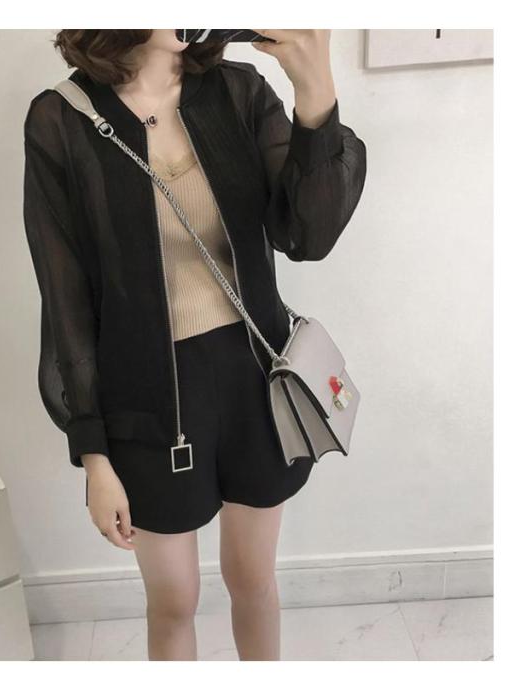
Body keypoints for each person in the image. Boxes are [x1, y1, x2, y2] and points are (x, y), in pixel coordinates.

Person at [22, 29, 366, 661]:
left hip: (256, 382)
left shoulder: (237, 92)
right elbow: (65, 297)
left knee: (253, 579)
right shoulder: (61, 120)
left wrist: (315, 89)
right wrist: (93, 453)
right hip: (145, 401)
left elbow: (308, 235)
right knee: (174, 601)